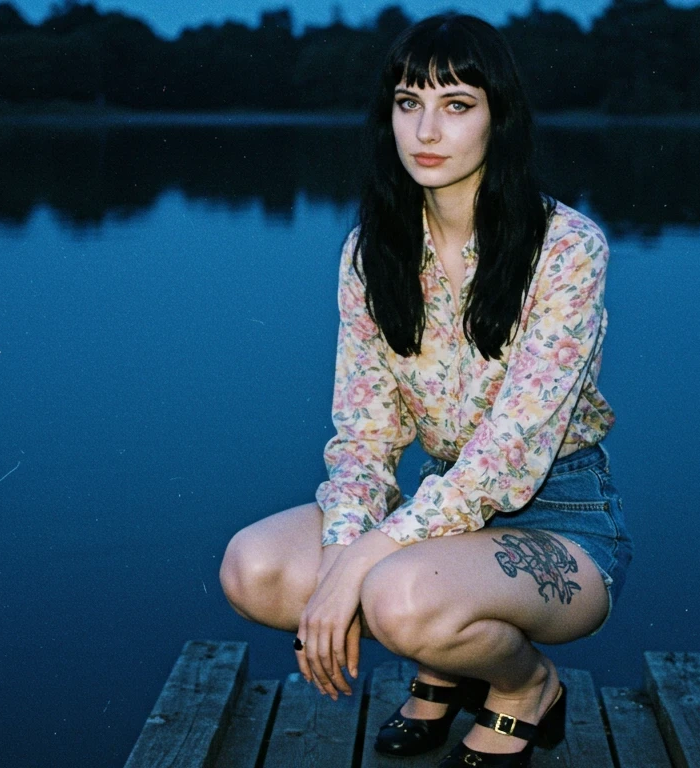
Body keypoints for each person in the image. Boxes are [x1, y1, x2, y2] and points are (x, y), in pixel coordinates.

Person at [219, 12, 632, 768]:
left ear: (497, 119)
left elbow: (510, 456)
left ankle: (523, 686)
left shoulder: (567, 247)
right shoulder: (370, 253)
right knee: (254, 567)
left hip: (562, 520)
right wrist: (347, 551)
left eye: (457, 104)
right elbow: (366, 439)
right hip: (437, 518)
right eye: (409, 102)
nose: (427, 130)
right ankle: (441, 659)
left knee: (398, 595)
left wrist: (364, 566)